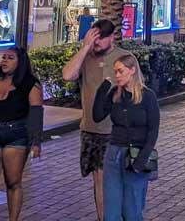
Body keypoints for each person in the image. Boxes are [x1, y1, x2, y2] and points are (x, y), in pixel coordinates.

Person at [61, 19, 130, 220]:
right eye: (94, 38)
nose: (97, 43)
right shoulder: (86, 58)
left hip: (116, 131)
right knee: (99, 179)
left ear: (112, 38)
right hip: (92, 130)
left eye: (101, 39)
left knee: (114, 179)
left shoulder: (124, 59)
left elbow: (137, 92)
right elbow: (67, 75)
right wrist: (85, 47)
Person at [0, 47, 43, 221]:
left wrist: (35, 142)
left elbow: (36, 113)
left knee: (12, 183)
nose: (4, 61)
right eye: (3, 57)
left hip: (16, 134)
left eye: (10, 58)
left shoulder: (30, 84)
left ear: (20, 62)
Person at [93, 54, 159, 221]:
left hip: (136, 155)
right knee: (111, 211)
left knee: (132, 210)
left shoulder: (147, 96)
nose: (117, 75)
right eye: (115, 72)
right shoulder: (115, 94)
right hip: (114, 153)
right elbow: (97, 115)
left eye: (121, 71)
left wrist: (141, 161)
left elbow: (153, 131)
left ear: (132, 70)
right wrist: (103, 89)